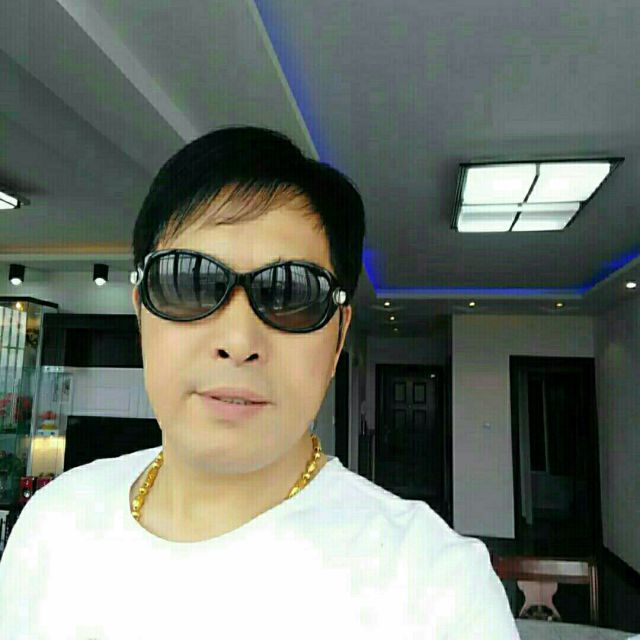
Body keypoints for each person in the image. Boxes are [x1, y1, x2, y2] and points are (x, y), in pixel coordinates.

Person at [0, 126, 520, 638]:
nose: (238, 340)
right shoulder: (52, 524)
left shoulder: (435, 590)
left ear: (338, 338)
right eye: (190, 282)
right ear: (142, 314)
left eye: (291, 294)